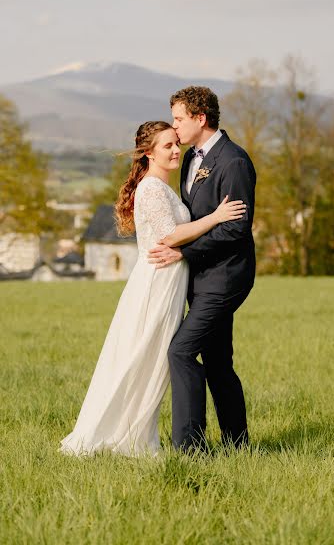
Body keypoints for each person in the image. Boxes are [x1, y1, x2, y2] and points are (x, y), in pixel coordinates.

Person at [60, 120, 246, 456]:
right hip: (156, 283)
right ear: (149, 153)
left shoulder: (164, 188)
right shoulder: (150, 189)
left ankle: (140, 433)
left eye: (177, 143)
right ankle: (113, 435)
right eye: (167, 146)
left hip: (172, 282)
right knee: (141, 358)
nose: (177, 150)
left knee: (155, 360)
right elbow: (170, 236)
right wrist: (217, 216)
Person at [148, 87, 256, 452]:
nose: (174, 127)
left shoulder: (234, 162)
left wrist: (185, 255)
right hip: (203, 277)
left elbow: (235, 228)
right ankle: (237, 445)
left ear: (200, 118)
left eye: (178, 119)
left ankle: (190, 447)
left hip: (226, 276)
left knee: (180, 351)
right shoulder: (192, 159)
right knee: (217, 362)